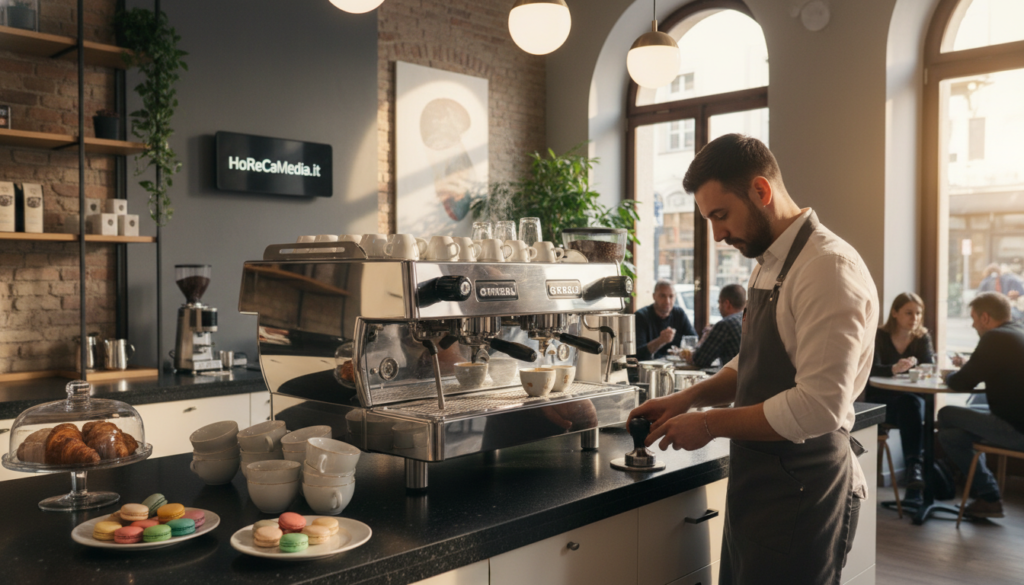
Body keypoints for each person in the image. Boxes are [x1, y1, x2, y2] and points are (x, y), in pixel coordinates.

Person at [628, 134, 877, 584]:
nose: (717, 234)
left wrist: (707, 424)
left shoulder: (826, 267)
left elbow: (820, 407)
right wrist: (689, 398)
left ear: (761, 192)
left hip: (804, 491)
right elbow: (757, 357)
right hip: (760, 486)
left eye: (720, 215)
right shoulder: (769, 261)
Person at [938, 292, 1024, 519]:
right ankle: (987, 497)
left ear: (985, 318)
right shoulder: (1017, 332)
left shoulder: (994, 338)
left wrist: (947, 375)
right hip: (1014, 420)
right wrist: (969, 366)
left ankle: (989, 496)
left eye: (974, 318)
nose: (973, 325)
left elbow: (961, 383)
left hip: (1016, 428)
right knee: (952, 435)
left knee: (945, 415)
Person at [862, 292, 935, 490]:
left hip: (909, 404)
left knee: (910, 403)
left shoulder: (922, 338)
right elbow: (868, 369)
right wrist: (893, 369)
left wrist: (917, 369)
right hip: (883, 402)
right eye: (909, 313)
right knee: (910, 404)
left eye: (919, 313)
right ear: (894, 313)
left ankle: (914, 471)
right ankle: (915, 468)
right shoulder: (880, 336)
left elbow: (930, 368)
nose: (915, 318)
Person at [684, 284, 745, 368]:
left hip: (733, 379)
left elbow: (699, 360)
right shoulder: (747, 320)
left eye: (719, 303)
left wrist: (705, 338)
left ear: (726, 303)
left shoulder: (725, 324)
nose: (719, 308)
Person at [634, 280, 697, 361]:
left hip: (676, 366)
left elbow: (693, 340)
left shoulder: (679, 313)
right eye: (662, 296)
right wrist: (661, 341)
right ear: (654, 296)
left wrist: (681, 351)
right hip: (649, 368)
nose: (667, 301)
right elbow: (637, 354)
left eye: (671, 296)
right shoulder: (640, 316)